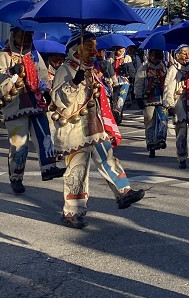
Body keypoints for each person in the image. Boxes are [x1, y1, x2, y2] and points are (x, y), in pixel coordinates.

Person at [48, 31, 145, 229]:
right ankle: (72, 212)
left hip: (94, 124)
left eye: (94, 46)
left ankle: (124, 192)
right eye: (88, 46)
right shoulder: (65, 70)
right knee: (77, 170)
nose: (93, 51)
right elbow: (58, 100)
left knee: (107, 158)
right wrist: (75, 82)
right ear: (76, 49)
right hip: (74, 129)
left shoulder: (92, 70)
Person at [0, 26, 64, 194]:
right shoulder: (3, 55)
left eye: (29, 35)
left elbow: (43, 74)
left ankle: (48, 167)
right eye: (23, 35)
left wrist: (44, 88)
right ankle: (16, 177)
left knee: (44, 135)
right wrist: (11, 72)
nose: (27, 39)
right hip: (15, 103)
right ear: (14, 35)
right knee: (18, 143)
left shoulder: (34, 55)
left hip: (35, 101)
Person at [133, 48, 169, 158]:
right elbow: (138, 83)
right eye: (154, 55)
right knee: (149, 120)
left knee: (163, 118)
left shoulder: (165, 68)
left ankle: (161, 138)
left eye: (159, 55)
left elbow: (169, 82)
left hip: (162, 98)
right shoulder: (144, 68)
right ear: (150, 56)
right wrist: (138, 97)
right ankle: (151, 143)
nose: (157, 57)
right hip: (148, 98)